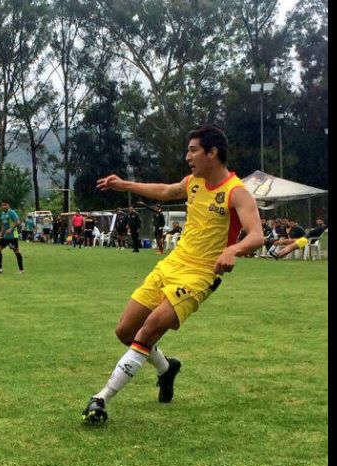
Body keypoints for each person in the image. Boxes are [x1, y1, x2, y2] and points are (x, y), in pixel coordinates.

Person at [82, 124, 263, 424]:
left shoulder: (236, 192)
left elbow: (256, 235)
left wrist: (233, 250)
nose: (187, 156)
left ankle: (101, 398)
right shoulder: (193, 182)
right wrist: (125, 185)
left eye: (193, 150)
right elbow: (166, 191)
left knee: (150, 328)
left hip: (200, 275)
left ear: (212, 152)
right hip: (171, 264)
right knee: (125, 331)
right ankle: (167, 369)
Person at [0, 200, 25, 274]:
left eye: (5, 205)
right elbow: (3, 225)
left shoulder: (11, 212)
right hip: (6, 236)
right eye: (2, 205)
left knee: (16, 251)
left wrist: (10, 229)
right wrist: (1, 234)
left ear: (8, 205)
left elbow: (18, 222)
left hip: (13, 236)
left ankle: (21, 270)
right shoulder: (3, 214)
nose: (3, 206)